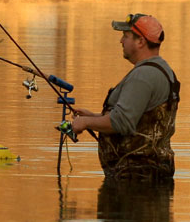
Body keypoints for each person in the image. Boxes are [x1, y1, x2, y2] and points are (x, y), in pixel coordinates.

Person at [69, 13, 180, 182]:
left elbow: (122, 122)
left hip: (134, 178)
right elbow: (138, 118)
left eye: (126, 36)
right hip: (150, 176)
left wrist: (85, 123)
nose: (121, 41)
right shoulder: (162, 69)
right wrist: (93, 116)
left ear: (141, 41)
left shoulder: (143, 76)